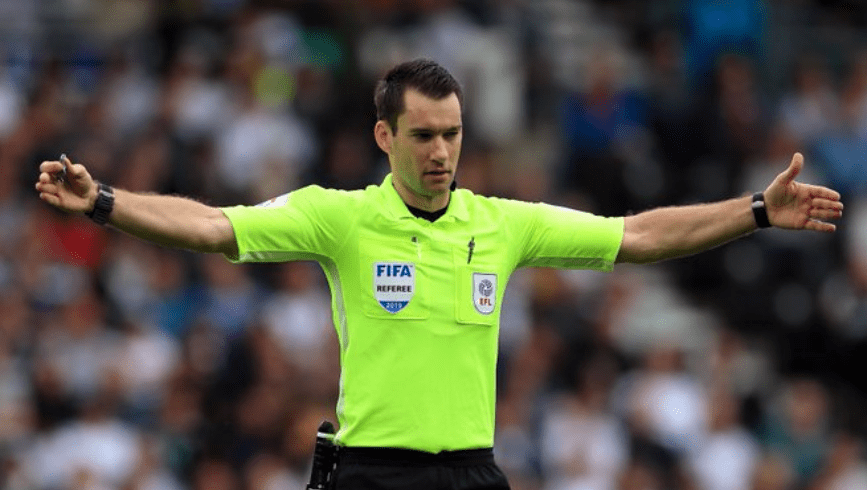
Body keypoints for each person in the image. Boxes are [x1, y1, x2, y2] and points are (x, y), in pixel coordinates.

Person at [35, 59, 843, 490]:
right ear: (383, 136)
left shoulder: (500, 223)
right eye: (422, 134)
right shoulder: (339, 216)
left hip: (472, 470)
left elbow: (634, 236)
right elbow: (215, 228)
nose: (440, 151)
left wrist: (755, 210)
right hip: (372, 472)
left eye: (451, 134)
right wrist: (105, 201)